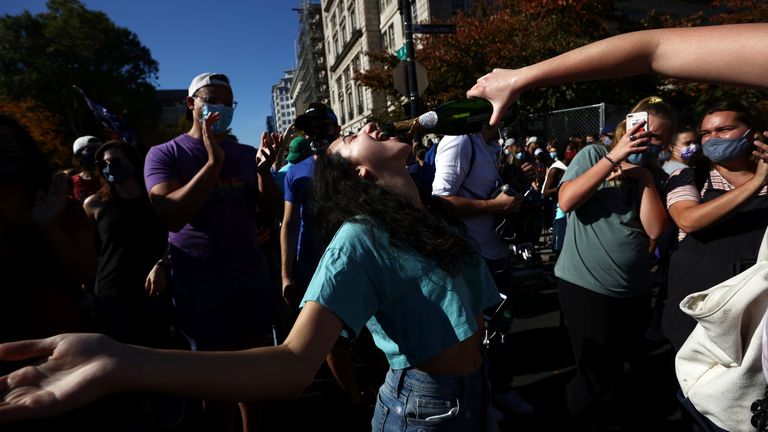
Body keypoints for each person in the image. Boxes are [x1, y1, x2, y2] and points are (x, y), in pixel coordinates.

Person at [0, 122, 503, 432]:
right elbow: (291, 362)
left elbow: (472, 314)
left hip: (476, 397)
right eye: (351, 137)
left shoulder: (433, 219)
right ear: (359, 176)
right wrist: (121, 362)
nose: (368, 125)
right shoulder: (358, 240)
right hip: (423, 411)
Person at [142, 72, 283, 431]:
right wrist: (212, 163)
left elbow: (272, 211)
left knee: (255, 369)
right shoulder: (165, 154)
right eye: (212, 99)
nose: (221, 108)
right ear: (192, 104)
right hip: (200, 282)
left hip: (249, 275)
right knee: (214, 376)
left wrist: (265, 173)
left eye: (228, 102)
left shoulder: (246, 153)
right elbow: (172, 214)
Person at [552, 97, 672, 429]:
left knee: (621, 371)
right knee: (593, 375)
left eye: (658, 137)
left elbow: (655, 230)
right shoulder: (593, 155)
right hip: (586, 284)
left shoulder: (653, 174)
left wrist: (645, 178)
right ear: (628, 125)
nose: (648, 141)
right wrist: (614, 157)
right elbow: (567, 199)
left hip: (633, 287)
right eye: (644, 131)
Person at [663, 99, 768, 351]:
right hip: (700, 303)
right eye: (706, 133)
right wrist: (756, 183)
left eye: (723, 130)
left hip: (756, 304)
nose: (713, 138)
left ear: (752, 132)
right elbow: (689, 219)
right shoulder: (691, 177)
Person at [82, 140, 173, 347]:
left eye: (115, 161)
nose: (108, 167)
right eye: (102, 163)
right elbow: (92, 248)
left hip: (153, 290)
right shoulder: (94, 204)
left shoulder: (156, 200)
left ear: (132, 162)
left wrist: (162, 264)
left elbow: (176, 237)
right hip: (112, 294)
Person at [70, 135, 103, 203]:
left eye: (99, 149)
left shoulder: (112, 175)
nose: (97, 153)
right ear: (78, 156)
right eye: (90, 149)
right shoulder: (71, 183)